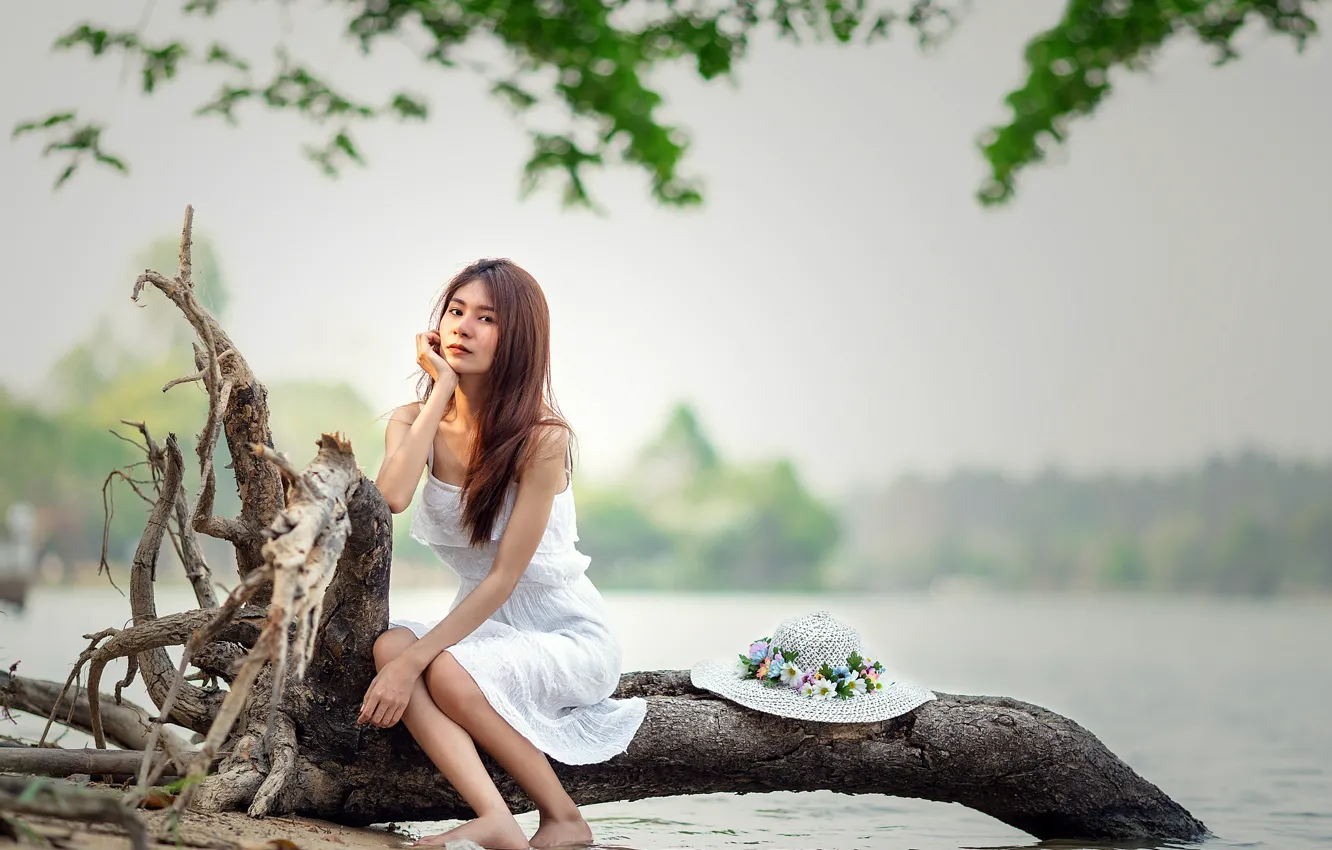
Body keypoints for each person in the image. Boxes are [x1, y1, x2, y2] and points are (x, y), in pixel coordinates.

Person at [362, 259, 646, 849]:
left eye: (485, 318)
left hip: (562, 631)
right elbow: (389, 496)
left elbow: (505, 578)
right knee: (391, 643)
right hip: (482, 628)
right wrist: (440, 390)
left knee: (428, 661)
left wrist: (414, 666)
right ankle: (494, 818)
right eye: (456, 311)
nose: (463, 327)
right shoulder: (411, 421)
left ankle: (564, 817)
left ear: (516, 338)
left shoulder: (542, 439)